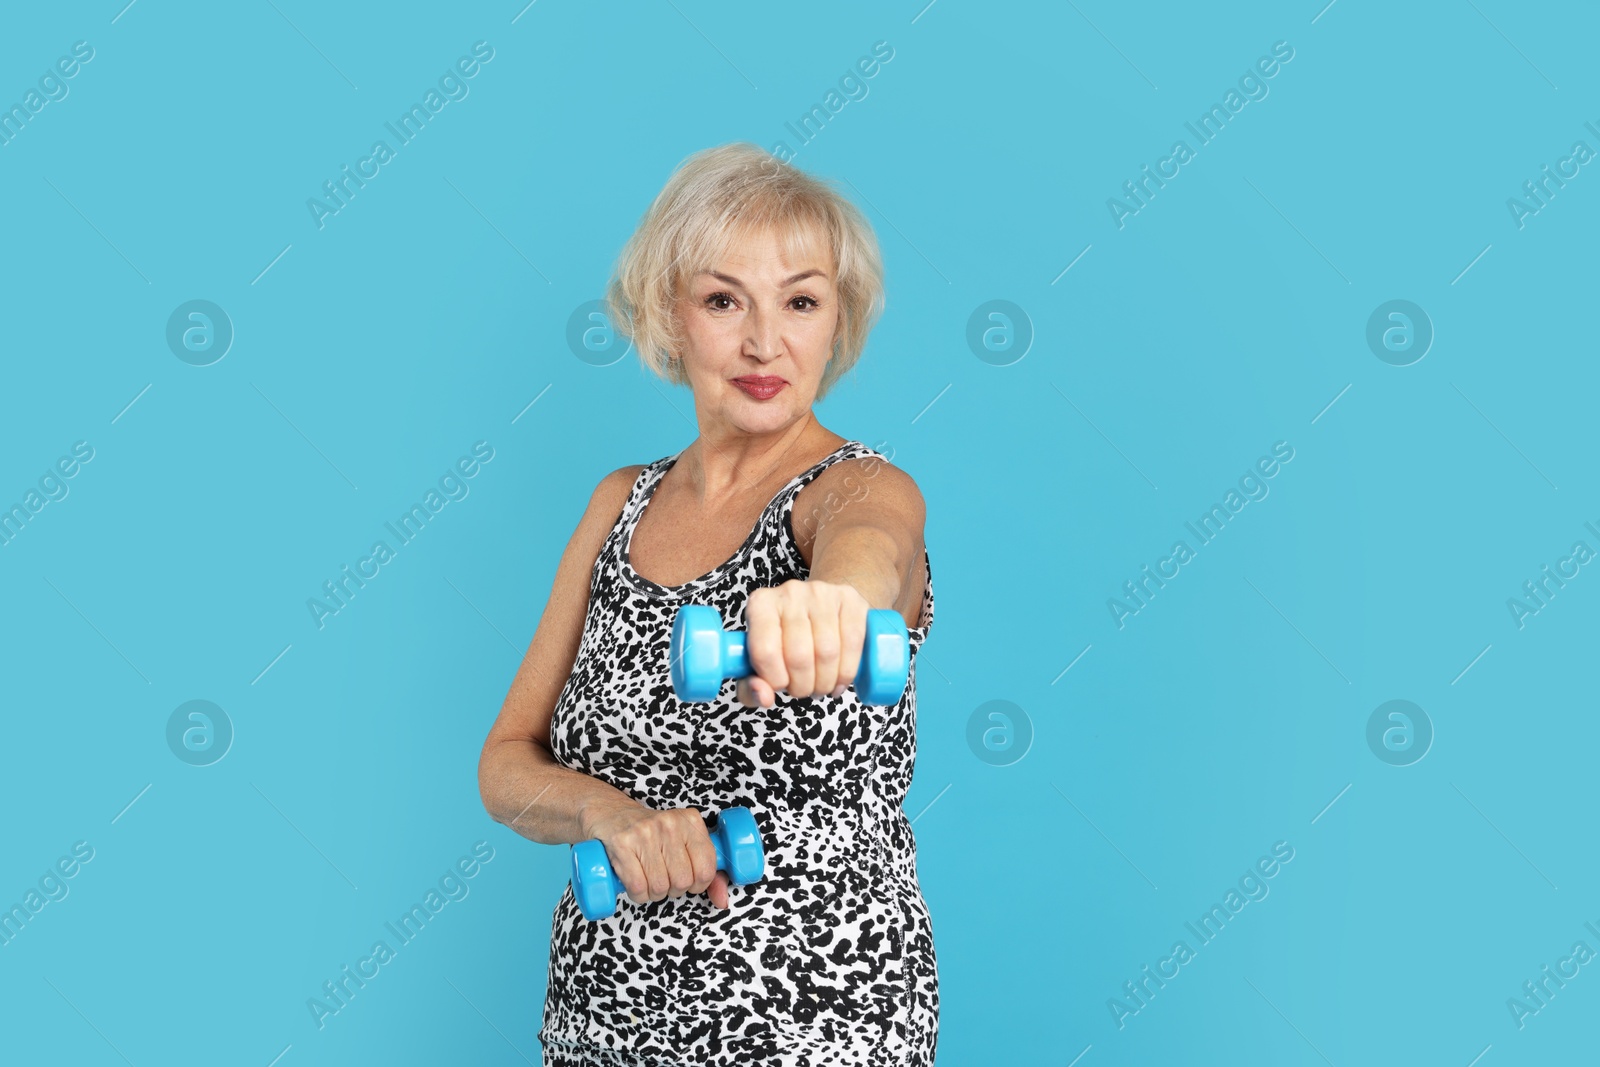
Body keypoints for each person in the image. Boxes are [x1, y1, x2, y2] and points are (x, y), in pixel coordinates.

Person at [477, 142, 938, 1066]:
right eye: (725, 300)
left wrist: (833, 605)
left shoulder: (859, 487)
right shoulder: (619, 503)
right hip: (603, 1013)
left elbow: (873, 546)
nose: (765, 342)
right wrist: (610, 815)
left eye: (801, 301)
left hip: (819, 1014)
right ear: (667, 315)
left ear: (835, 320)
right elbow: (506, 763)